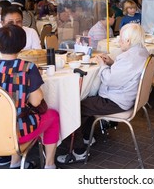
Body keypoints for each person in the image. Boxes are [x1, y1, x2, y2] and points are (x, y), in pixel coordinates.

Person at [56, 23, 149, 164]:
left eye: (121, 39)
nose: (119, 41)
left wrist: (102, 65)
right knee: (89, 100)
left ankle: (79, 151)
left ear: (129, 41)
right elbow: (124, 73)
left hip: (116, 100)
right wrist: (112, 63)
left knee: (75, 108)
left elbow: (110, 80)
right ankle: (88, 137)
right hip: (127, 97)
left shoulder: (129, 57)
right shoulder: (142, 52)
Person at [0, 24, 60, 169]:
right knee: (53, 116)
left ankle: (16, 162)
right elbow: (36, 101)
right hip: (17, 132)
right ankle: (50, 165)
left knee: (9, 114)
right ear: (22, 44)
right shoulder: (28, 68)